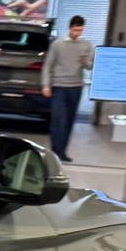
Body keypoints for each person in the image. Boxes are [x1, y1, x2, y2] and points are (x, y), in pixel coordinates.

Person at [40, 15, 95, 161]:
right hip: (59, 86)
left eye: (81, 30)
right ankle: (55, 151)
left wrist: (85, 62)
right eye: (76, 30)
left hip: (76, 86)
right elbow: (48, 65)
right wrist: (46, 85)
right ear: (70, 28)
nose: (78, 33)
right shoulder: (58, 44)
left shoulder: (87, 45)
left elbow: (91, 66)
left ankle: (62, 152)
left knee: (69, 121)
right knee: (58, 119)